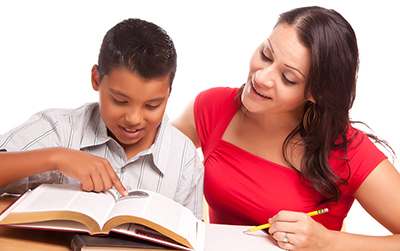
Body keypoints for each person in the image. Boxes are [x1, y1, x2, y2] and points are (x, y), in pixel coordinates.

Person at [173, 6, 400, 250]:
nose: (261, 78)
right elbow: (149, 158)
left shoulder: (347, 152)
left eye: (288, 78)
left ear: (316, 93)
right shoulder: (211, 107)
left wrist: (328, 242)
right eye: (266, 54)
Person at [0, 18, 203, 219]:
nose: (133, 118)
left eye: (152, 106)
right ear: (96, 79)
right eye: (119, 101)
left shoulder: (185, 159)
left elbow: (191, 236)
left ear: (168, 94)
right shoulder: (61, 129)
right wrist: (57, 158)